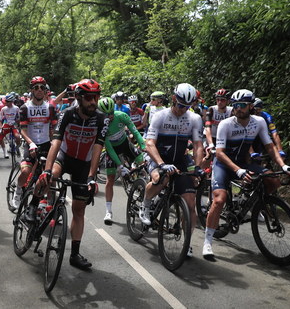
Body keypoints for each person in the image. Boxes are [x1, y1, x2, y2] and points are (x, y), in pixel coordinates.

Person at [203, 89, 290, 259]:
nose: (238, 109)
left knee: (273, 181)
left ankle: (255, 203)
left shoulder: (259, 122)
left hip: (244, 163)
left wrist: (283, 166)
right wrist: (237, 170)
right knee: (219, 200)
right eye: (235, 105)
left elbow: (270, 147)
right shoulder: (226, 124)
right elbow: (221, 153)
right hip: (223, 164)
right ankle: (208, 241)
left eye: (242, 106)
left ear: (251, 106)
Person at [27, 79, 108, 270]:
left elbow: (98, 148)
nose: (93, 102)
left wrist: (91, 177)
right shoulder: (67, 114)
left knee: (79, 209)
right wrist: (46, 170)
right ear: (79, 98)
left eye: (96, 97)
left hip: (83, 163)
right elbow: (55, 143)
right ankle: (33, 204)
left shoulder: (102, 119)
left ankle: (74, 254)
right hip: (64, 156)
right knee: (50, 175)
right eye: (89, 98)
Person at [139, 83, 204, 257]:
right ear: (174, 99)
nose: (183, 109)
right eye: (181, 105)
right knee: (161, 178)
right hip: (158, 156)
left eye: (187, 106)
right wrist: (161, 163)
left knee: (190, 204)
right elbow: (150, 143)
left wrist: (197, 167)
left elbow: (198, 145)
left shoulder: (194, 118)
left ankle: (187, 243)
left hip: (180, 160)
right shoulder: (160, 116)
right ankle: (146, 205)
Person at [97, 97, 146, 225]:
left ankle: (145, 188)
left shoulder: (121, 116)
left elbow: (134, 131)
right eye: (107, 115)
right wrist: (120, 165)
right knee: (110, 179)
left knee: (143, 162)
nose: (110, 116)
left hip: (125, 144)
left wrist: (143, 144)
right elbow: (108, 147)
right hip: (112, 149)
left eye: (111, 113)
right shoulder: (101, 124)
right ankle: (108, 211)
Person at [10, 76, 58, 208]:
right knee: (26, 172)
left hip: (45, 143)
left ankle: (48, 202)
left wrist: (56, 143)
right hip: (30, 142)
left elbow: (54, 129)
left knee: (49, 175)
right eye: (36, 87)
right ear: (31, 90)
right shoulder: (25, 108)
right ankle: (18, 191)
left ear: (45, 90)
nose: (39, 90)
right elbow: (23, 130)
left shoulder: (50, 108)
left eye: (42, 87)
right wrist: (31, 143)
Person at [204, 89, 232, 163]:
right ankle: (199, 171)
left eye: (222, 100)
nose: (219, 102)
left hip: (224, 138)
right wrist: (210, 144)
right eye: (218, 100)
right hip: (211, 136)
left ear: (228, 101)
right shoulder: (211, 110)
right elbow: (207, 128)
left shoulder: (231, 111)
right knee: (209, 156)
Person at [0, 92, 21, 160]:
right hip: (6, 124)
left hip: (13, 125)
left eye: (7, 101)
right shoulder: (3, 109)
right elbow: (0, 119)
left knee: (17, 137)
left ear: (11, 102)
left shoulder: (16, 108)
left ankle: (17, 147)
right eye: (5, 101)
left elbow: (18, 118)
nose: (5, 102)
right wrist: (1, 126)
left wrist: (17, 125)